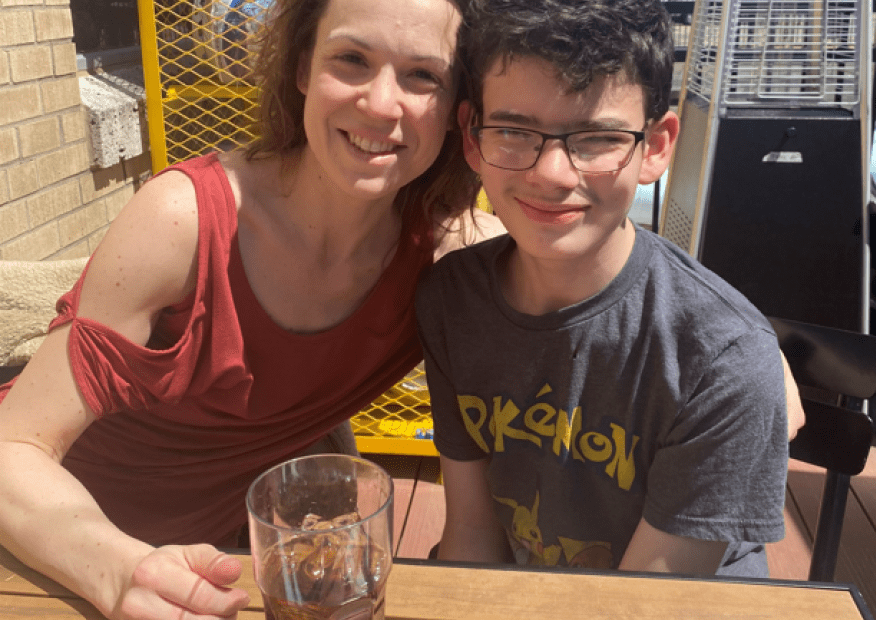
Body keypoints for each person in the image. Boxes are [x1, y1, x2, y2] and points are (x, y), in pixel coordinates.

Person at [0, 0, 502, 618]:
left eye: (422, 75)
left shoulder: (446, 264)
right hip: (53, 560)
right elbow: (11, 448)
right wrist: (120, 569)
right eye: (351, 59)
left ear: (458, 110)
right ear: (299, 70)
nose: (380, 103)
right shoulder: (183, 223)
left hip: (221, 572)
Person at [416, 0, 792, 577]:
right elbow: (471, 534)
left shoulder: (722, 360)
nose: (552, 175)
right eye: (514, 130)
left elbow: (641, 604)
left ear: (657, 146)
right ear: (472, 138)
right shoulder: (451, 300)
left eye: (595, 138)